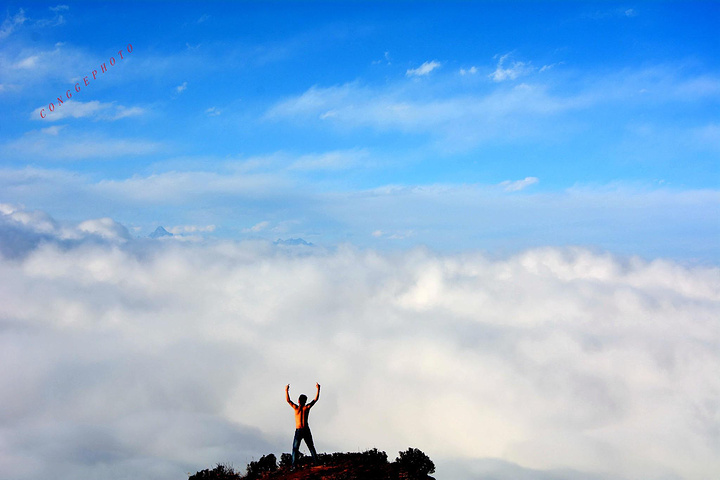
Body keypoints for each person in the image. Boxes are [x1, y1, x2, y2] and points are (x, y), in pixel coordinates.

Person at [286, 383, 320, 467]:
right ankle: (315, 463)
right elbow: (315, 399)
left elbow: (288, 400)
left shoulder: (299, 408)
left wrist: (286, 390)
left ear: (298, 400)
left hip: (301, 430)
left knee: (297, 449)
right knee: (308, 447)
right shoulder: (304, 408)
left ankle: (295, 466)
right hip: (303, 429)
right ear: (304, 401)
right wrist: (318, 389)